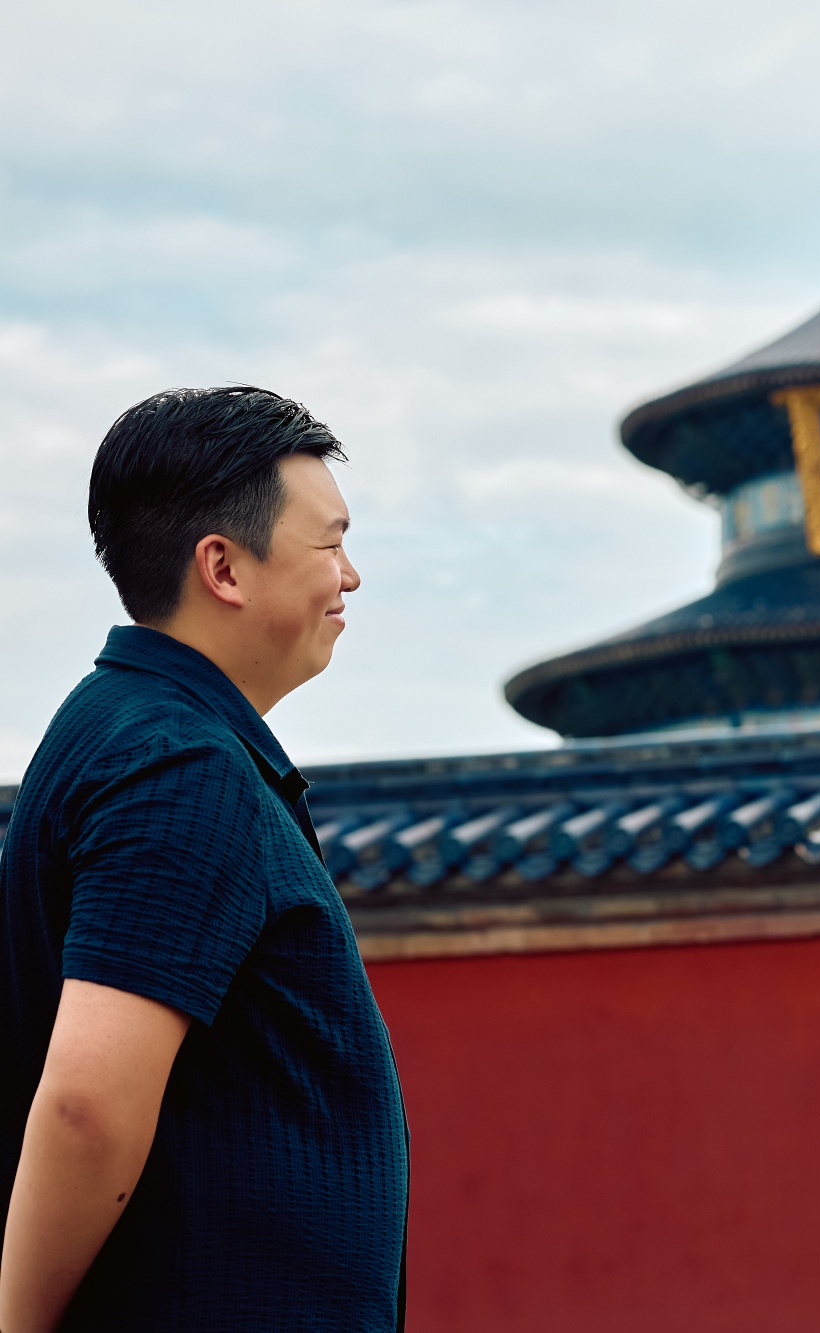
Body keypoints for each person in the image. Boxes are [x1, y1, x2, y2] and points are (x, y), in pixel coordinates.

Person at [0, 387, 407, 1332]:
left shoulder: (120, 725)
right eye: (329, 543)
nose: (349, 576)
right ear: (223, 567)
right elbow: (87, 1107)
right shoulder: (180, 766)